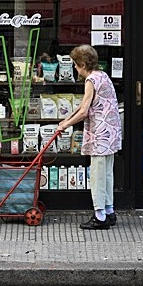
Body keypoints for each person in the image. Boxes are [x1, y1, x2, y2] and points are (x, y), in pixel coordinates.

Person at [56, 44, 122, 230]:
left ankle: (100, 216)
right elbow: (84, 106)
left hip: (100, 135)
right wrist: (67, 119)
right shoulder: (103, 76)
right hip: (111, 133)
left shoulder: (91, 80)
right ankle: (109, 212)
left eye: (76, 65)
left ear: (83, 64)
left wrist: (65, 125)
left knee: (97, 175)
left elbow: (84, 110)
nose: (75, 68)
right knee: (107, 174)